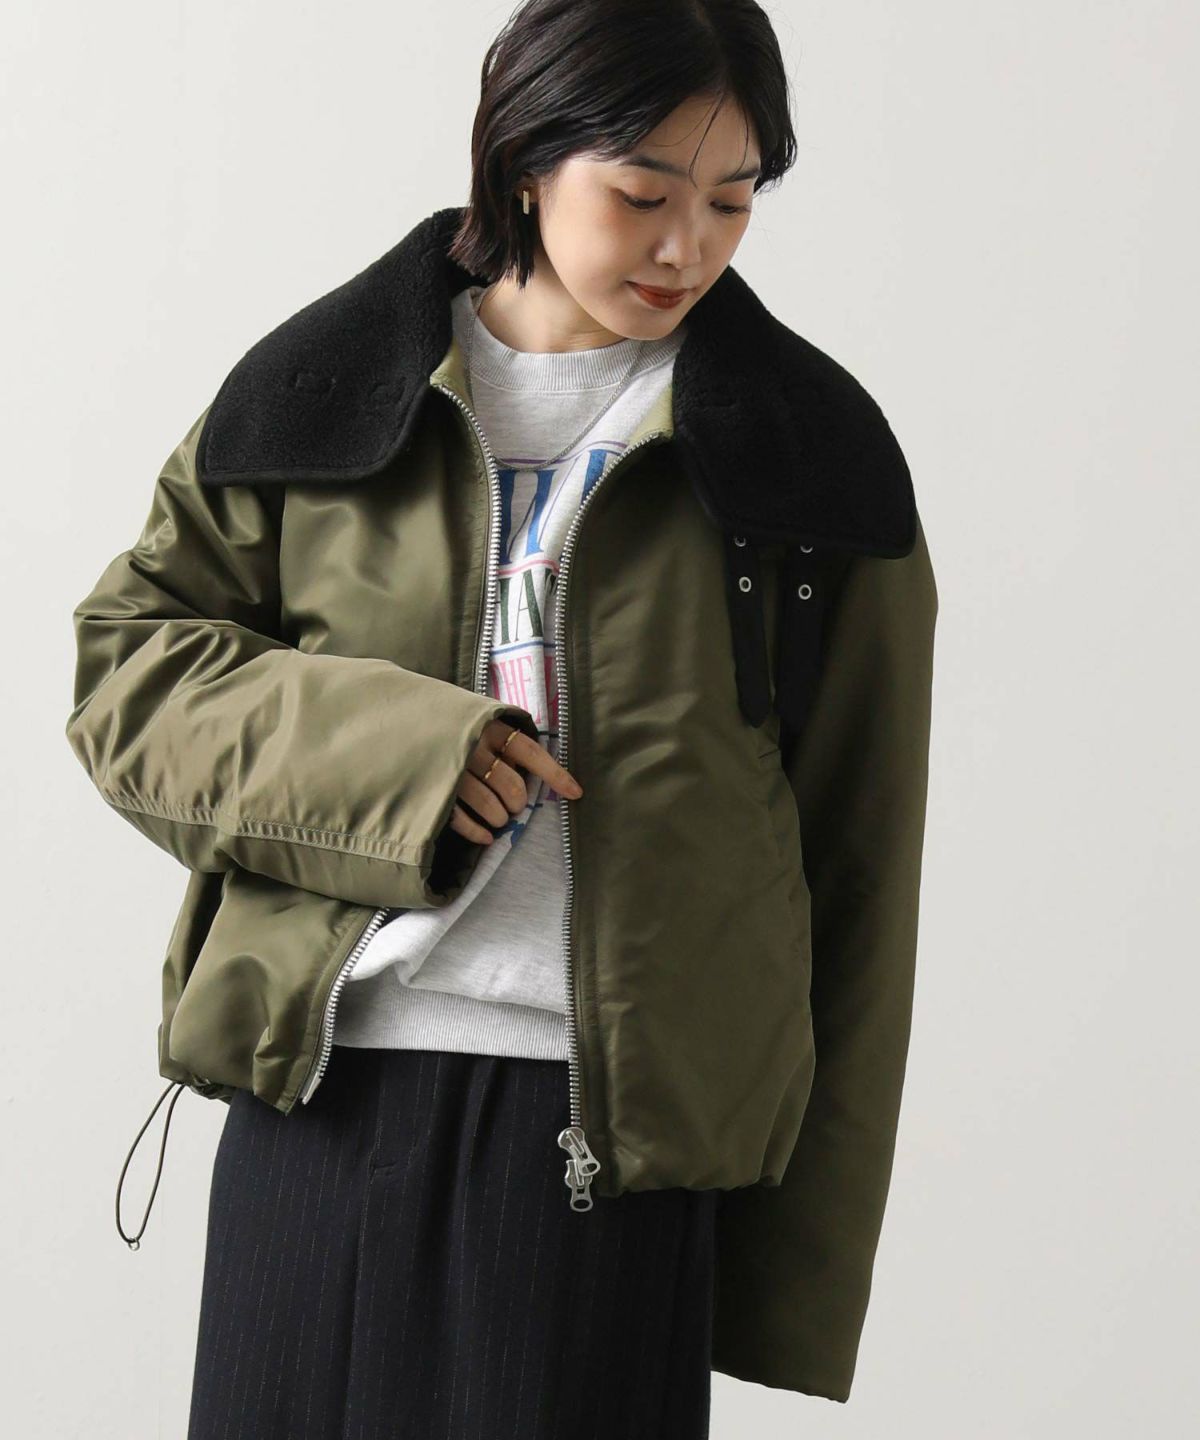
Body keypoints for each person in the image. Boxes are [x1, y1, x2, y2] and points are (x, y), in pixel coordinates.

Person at [64, 1, 938, 1434]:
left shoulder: (806, 459)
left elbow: (859, 875)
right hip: (315, 1104)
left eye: (732, 202)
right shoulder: (320, 394)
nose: (688, 248)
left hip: (598, 1146)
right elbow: (129, 674)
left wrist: (791, 1280)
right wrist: (409, 761)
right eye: (643, 194)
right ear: (527, 161)